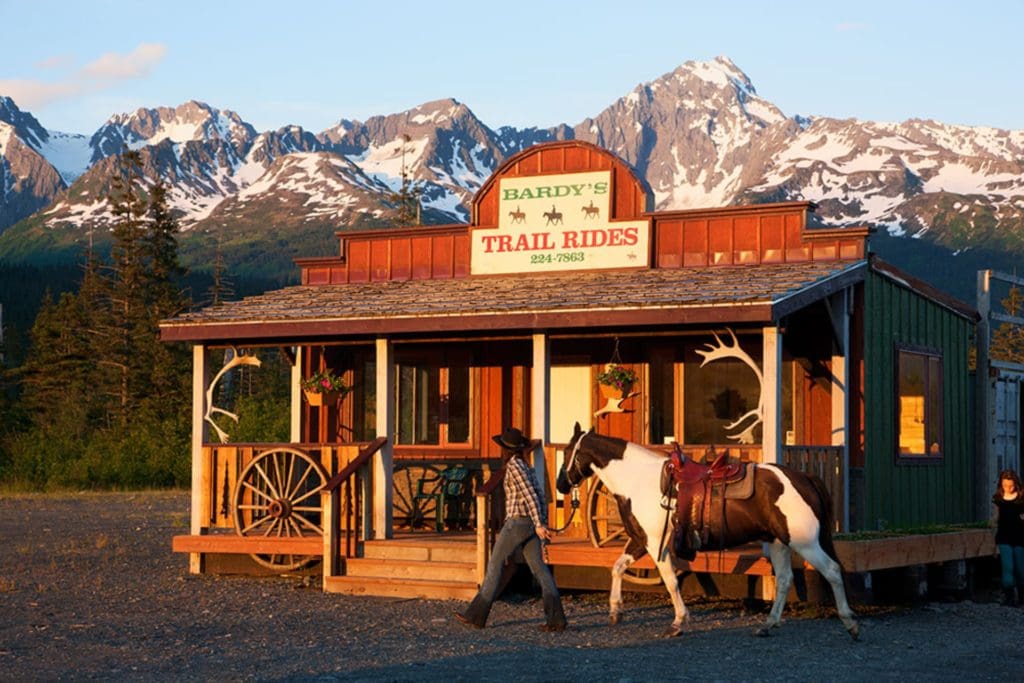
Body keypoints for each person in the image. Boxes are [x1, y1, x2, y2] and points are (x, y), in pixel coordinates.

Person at [454, 427, 567, 632]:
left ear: (505, 449)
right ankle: (556, 619)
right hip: (529, 524)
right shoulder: (526, 466)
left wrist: (540, 525)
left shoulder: (514, 466)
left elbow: (531, 495)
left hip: (517, 523)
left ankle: (476, 615)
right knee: (539, 569)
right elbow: (539, 496)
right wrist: (539, 521)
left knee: (495, 564)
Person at [992, 468, 1024, 606]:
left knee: (1021, 568)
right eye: (1005, 485)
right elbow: (995, 518)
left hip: (1020, 537)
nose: (1008, 488)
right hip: (1004, 536)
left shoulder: (1022, 498)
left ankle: (1021, 597)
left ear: (1015, 484)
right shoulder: (998, 499)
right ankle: (1009, 597)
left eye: (1010, 485)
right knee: (1007, 567)